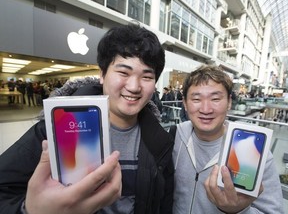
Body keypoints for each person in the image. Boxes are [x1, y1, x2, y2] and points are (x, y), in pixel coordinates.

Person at [0, 23, 174, 214]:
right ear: (102, 74)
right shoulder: (56, 128)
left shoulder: (160, 141)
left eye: (146, 77)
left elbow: (163, 203)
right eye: (123, 72)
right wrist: (29, 210)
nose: (134, 86)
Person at [172, 65, 284, 213]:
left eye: (216, 98)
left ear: (229, 102)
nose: (206, 109)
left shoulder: (253, 151)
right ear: (185, 104)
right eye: (196, 99)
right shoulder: (174, 137)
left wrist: (239, 210)